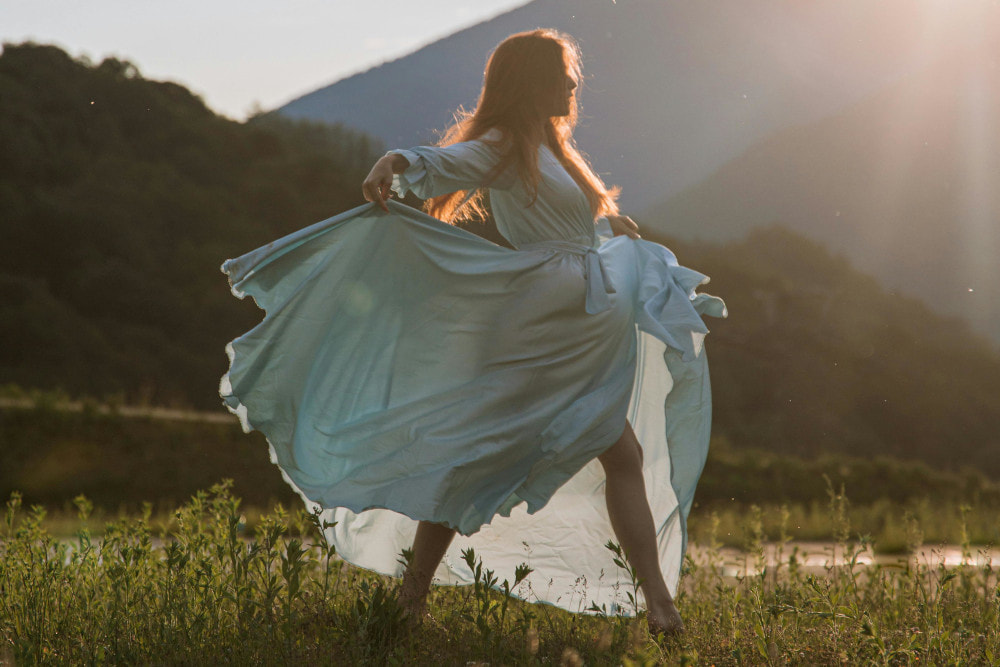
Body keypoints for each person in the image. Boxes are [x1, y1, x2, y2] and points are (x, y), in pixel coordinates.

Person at [220, 28, 725, 637]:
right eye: (563, 73)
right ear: (532, 81)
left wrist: (608, 225)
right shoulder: (507, 143)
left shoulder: (554, 148)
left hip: (576, 328)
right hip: (542, 329)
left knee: (609, 453)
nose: (573, 83)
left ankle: (657, 606)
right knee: (488, 454)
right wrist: (400, 161)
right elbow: (453, 162)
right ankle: (420, 600)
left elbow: (567, 222)